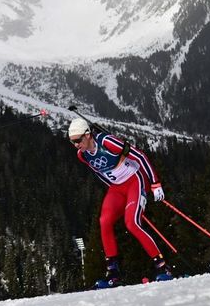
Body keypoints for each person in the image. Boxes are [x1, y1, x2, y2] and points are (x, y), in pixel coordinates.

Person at [66, 117, 172, 287]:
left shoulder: (107, 142)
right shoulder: (82, 155)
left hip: (135, 181)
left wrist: (155, 183)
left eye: (78, 140)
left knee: (132, 223)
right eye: (72, 142)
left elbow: (139, 155)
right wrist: (115, 190)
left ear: (88, 135)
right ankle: (113, 272)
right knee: (104, 221)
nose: (76, 145)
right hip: (117, 188)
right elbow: (100, 173)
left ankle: (162, 267)